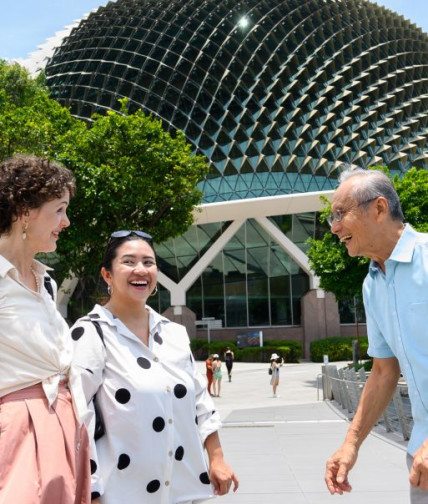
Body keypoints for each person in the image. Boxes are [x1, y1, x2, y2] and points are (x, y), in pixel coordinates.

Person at [70, 230, 238, 503]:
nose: (141, 270)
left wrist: (217, 458)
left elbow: (199, 400)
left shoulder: (174, 333)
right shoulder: (91, 333)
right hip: (122, 494)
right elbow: (77, 419)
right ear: (107, 275)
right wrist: (92, 493)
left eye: (149, 262)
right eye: (128, 261)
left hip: (182, 491)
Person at [324, 166, 428, 503]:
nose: (335, 227)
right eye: (331, 217)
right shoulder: (372, 284)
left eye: (341, 214)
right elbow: (384, 371)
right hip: (421, 454)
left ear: (379, 208)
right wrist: (351, 443)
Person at [0, 154, 90, 503]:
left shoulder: (45, 281)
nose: (65, 222)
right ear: (24, 211)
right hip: (17, 431)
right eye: (59, 209)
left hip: (66, 423)